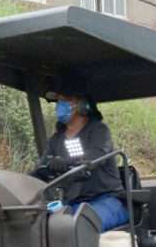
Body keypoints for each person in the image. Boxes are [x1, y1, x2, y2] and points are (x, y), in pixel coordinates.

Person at [32, 91, 128, 231]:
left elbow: (94, 158)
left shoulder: (99, 131)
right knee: (41, 227)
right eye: (58, 101)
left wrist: (65, 162)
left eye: (66, 100)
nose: (60, 105)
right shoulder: (56, 140)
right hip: (73, 204)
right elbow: (41, 168)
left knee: (83, 224)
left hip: (107, 200)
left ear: (83, 105)